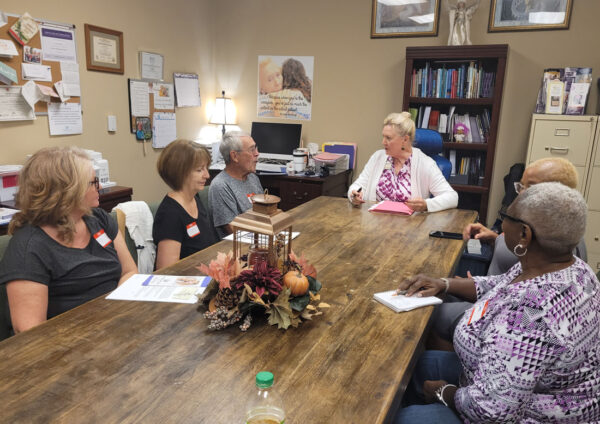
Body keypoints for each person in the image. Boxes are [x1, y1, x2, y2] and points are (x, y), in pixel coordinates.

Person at [395, 182, 600, 423]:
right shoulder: (574, 269)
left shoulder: (529, 316)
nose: (501, 223)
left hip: (527, 414)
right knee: (421, 365)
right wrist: (444, 283)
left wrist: (442, 391)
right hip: (501, 382)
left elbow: (491, 412)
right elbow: (501, 283)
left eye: (505, 216)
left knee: (406, 418)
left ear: (524, 234)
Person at [432, 157, 585, 345]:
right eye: (521, 185)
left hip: (498, 316)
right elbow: (507, 280)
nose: (520, 194)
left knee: (433, 312)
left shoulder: (548, 255)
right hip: (492, 296)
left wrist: (480, 299)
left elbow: (518, 327)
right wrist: (495, 239)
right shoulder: (544, 242)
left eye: (530, 187)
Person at [0, 147, 137, 333]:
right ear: (68, 192)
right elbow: (30, 331)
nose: (100, 187)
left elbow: (129, 271)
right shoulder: (29, 247)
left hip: (115, 324)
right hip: (69, 340)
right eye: (93, 182)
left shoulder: (98, 218)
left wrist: (115, 311)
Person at [348, 112, 458, 212]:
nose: (383, 142)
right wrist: (354, 195)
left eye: (388, 138)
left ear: (405, 139)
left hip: (409, 226)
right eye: (383, 137)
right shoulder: (378, 157)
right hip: (374, 223)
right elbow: (358, 185)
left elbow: (452, 197)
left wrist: (426, 205)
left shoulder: (425, 164)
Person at [153, 140, 220, 269]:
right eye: (199, 170)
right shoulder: (170, 214)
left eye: (206, 168)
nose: (207, 175)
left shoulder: (195, 198)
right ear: (180, 173)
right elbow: (167, 271)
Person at [209, 131, 263, 237]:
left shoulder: (253, 178)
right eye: (252, 149)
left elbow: (264, 212)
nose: (257, 153)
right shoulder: (220, 186)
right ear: (234, 156)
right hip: (240, 244)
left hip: (261, 237)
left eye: (256, 148)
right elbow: (233, 230)